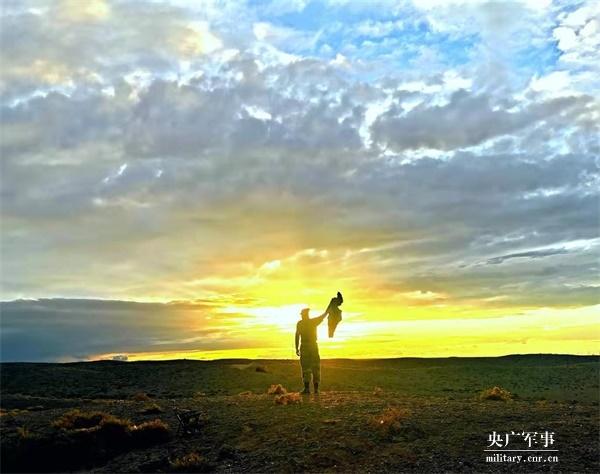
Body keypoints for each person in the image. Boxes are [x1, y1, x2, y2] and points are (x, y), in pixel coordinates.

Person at [295, 307, 327, 394]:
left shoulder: (302, 323)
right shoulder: (310, 322)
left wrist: (296, 347)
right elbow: (297, 335)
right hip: (311, 346)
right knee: (310, 367)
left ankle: (310, 389)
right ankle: (311, 389)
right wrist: (297, 347)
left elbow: (297, 335)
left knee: (310, 367)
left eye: (302, 314)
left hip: (307, 346)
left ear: (305, 314)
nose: (302, 316)